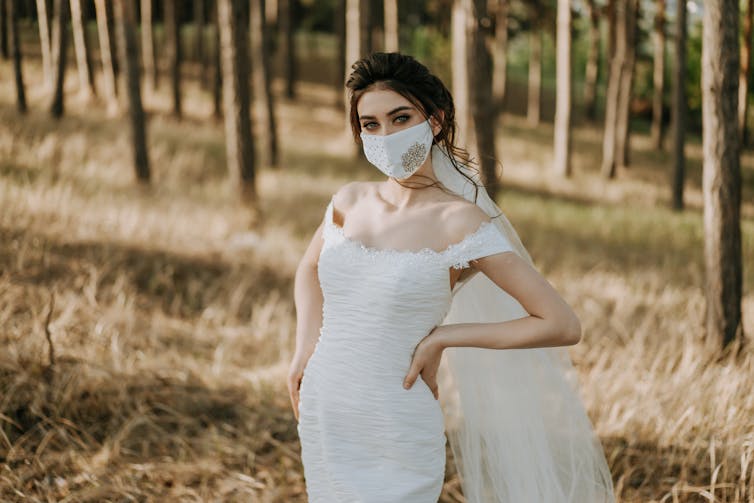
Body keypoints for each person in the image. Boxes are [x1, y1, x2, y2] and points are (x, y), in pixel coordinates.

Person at [289, 52, 615, 503]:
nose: (385, 135)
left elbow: (561, 323)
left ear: (436, 121)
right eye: (371, 124)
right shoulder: (349, 200)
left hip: (396, 420)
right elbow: (309, 268)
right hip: (326, 409)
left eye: (400, 118)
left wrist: (443, 337)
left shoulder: (460, 222)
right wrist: (305, 345)